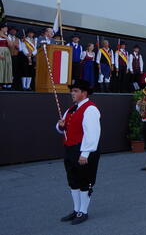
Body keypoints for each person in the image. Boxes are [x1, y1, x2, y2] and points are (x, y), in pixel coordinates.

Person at [55, 79, 101, 225]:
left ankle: (83, 211)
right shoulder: (70, 109)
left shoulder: (91, 109)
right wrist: (60, 126)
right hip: (70, 149)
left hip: (84, 149)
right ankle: (76, 210)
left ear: (84, 93)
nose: (72, 93)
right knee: (73, 180)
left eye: (75, 91)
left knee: (84, 181)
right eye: (72, 91)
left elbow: (92, 134)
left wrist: (85, 153)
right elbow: (61, 127)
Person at [0, 23, 13, 90]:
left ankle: (4, 83)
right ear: (2, 28)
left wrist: (6, 37)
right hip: (0, 51)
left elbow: (11, 45)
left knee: (5, 67)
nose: (7, 29)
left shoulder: (7, 36)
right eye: (6, 28)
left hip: (6, 52)